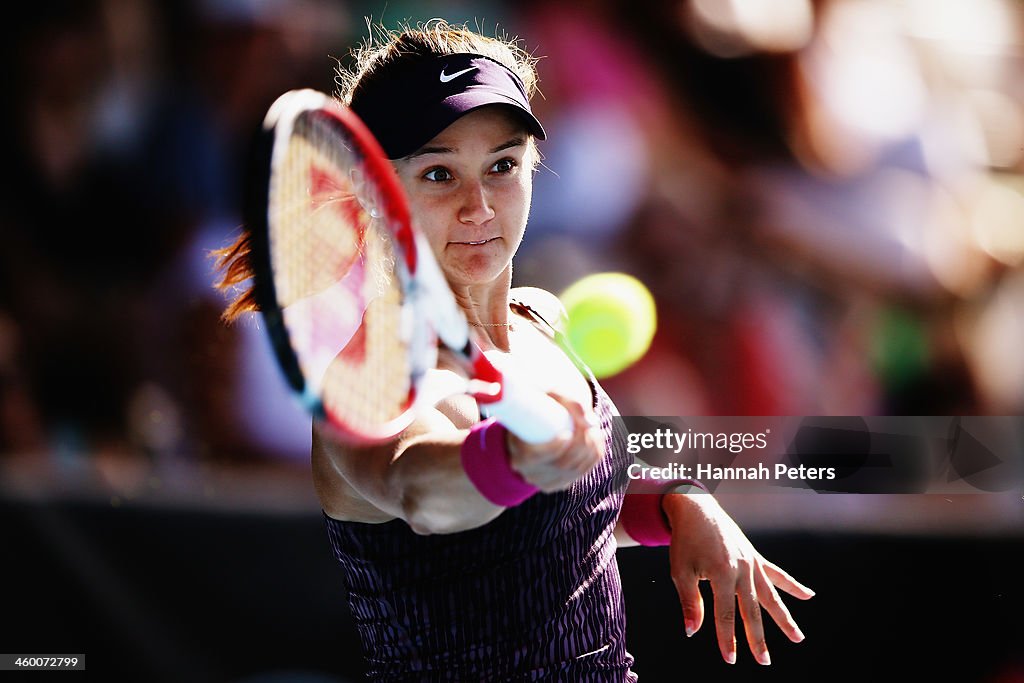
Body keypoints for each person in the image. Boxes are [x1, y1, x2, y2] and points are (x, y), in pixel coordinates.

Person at [215, 20, 813, 681]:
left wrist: (679, 503)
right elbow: (422, 488)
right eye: (439, 173)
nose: (479, 206)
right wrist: (509, 459)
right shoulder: (369, 383)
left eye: (502, 165)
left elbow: (574, 504)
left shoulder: (540, 322)